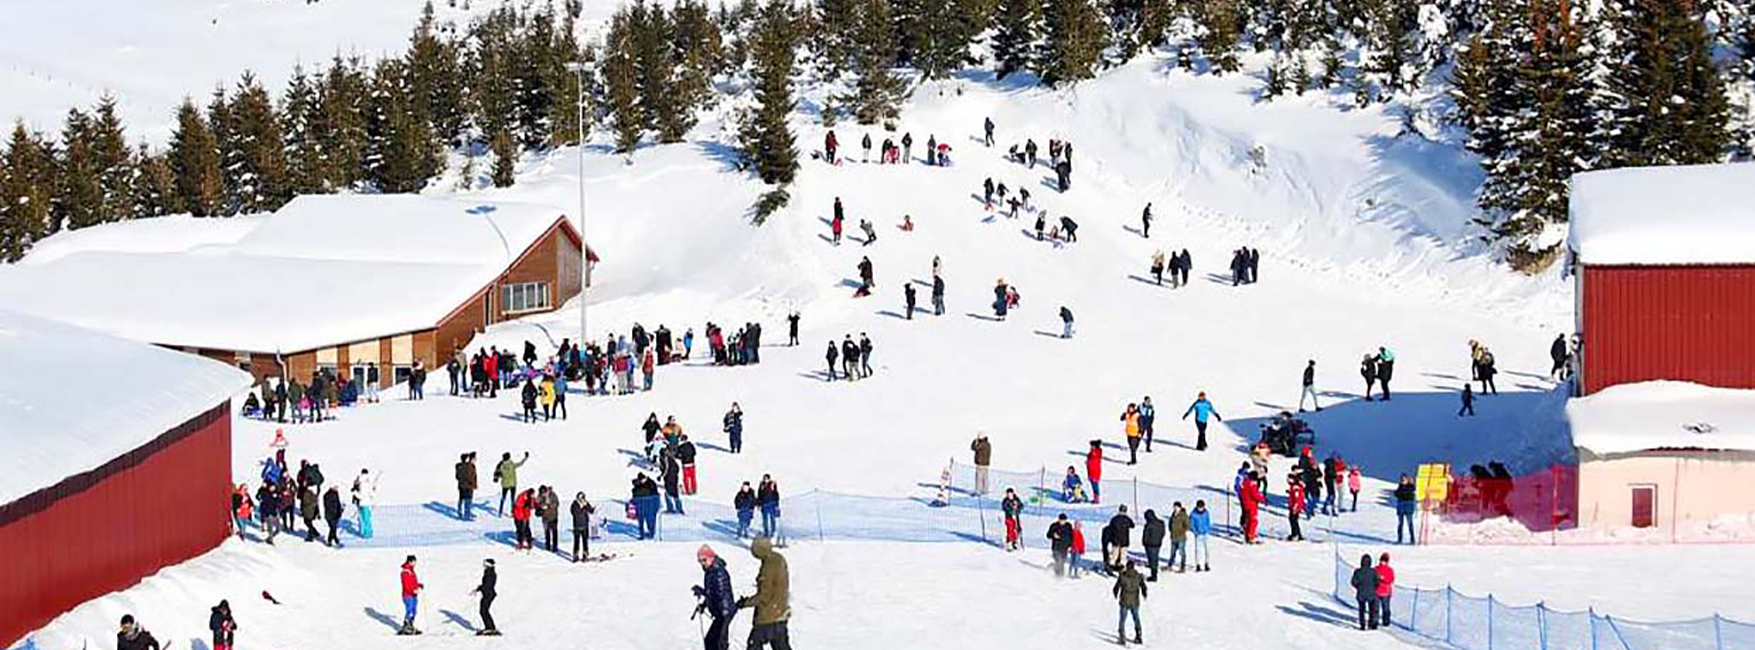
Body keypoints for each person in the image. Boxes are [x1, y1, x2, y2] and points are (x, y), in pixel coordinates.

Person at [738, 537, 793, 649]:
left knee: (754, 645)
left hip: (768, 616)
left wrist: (745, 603)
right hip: (780, 612)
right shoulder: (778, 559)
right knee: (781, 646)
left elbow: (764, 595)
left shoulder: (768, 567)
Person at [696, 545, 738, 650]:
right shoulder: (710, 571)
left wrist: (702, 592)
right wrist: (704, 605)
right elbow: (711, 592)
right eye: (700, 561)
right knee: (711, 642)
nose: (702, 563)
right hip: (719, 612)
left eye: (704, 560)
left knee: (717, 644)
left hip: (724, 612)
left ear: (711, 557)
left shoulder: (718, 572)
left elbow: (719, 594)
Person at [1112, 559, 1148, 645]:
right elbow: (1144, 587)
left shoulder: (1122, 576)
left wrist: (1115, 593)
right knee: (1136, 618)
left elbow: (1116, 588)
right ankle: (1139, 635)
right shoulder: (1138, 576)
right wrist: (1144, 594)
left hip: (1124, 601)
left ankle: (1122, 637)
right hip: (1135, 601)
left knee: (1122, 620)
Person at [1350, 554, 1380, 630]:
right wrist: (1373, 587)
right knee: (1372, 610)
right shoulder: (1373, 571)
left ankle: (1362, 625)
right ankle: (1371, 623)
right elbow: (1378, 582)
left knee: (1362, 610)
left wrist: (1358, 587)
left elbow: (1353, 582)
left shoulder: (1358, 571)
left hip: (1361, 594)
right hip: (1371, 593)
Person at [495, 452, 528, 516]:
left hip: (505, 484)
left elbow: (497, 474)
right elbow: (520, 464)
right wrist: (525, 458)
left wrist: (496, 477)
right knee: (512, 499)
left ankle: (500, 512)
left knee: (503, 498)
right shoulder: (511, 464)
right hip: (513, 484)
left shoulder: (501, 465)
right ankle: (513, 512)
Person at [399, 555, 424, 635]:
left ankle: (411, 625)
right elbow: (406, 585)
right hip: (407, 595)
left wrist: (418, 585)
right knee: (409, 610)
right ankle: (406, 626)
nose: (415, 563)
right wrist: (413, 590)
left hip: (413, 595)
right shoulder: (405, 572)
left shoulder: (411, 570)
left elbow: (412, 582)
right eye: (414, 561)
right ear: (410, 562)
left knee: (414, 610)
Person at [632, 472, 660, 539]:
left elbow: (654, 493)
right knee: (642, 520)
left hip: (649, 504)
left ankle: (651, 534)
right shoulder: (638, 484)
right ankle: (642, 534)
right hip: (642, 505)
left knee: (650, 520)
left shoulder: (651, 483)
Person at [1107, 506, 1134, 574]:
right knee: (1123, 556)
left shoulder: (1114, 519)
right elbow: (1132, 525)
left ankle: (1110, 567)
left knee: (1114, 555)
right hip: (1124, 540)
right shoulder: (1127, 519)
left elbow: (1110, 527)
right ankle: (1122, 569)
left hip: (1115, 540)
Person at [352, 468, 377, 539]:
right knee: (368, 519)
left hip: (362, 503)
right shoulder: (370, 482)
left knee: (363, 519)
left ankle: (364, 533)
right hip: (369, 503)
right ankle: (369, 532)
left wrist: (354, 493)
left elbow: (361, 495)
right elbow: (372, 494)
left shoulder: (361, 483)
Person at [1140, 509, 1165, 581]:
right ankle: (1154, 569)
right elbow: (1163, 533)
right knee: (1155, 557)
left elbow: (1146, 535)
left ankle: (1154, 575)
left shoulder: (1148, 524)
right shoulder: (1161, 523)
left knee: (1152, 559)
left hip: (1149, 544)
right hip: (1158, 543)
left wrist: (1144, 542)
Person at [570, 492, 595, 562]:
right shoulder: (574, 504)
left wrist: (592, 509)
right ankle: (575, 555)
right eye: (582, 497)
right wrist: (583, 509)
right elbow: (574, 512)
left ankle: (585, 554)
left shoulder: (585, 503)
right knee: (576, 542)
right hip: (577, 526)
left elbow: (590, 510)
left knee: (585, 541)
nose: (583, 499)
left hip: (585, 525)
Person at [1239, 471, 1263, 544]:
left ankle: (1247, 535)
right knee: (1253, 520)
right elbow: (1255, 495)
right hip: (1252, 504)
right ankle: (1251, 536)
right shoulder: (1252, 485)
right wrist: (1262, 498)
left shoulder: (1244, 483)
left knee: (1249, 520)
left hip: (1246, 504)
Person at [1166, 502, 1189, 573]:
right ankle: (1170, 565)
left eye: (1176, 507)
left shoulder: (1183, 515)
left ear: (1180, 507)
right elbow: (1170, 523)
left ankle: (1183, 566)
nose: (1175, 508)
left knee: (1182, 552)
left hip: (1181, 537)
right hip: (1173, 537)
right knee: (1172, 552)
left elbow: (1187, 526)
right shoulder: (1173, 514)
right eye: (1174, 507)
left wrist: (1181, 531)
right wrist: (1171, 530)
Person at [455, 452, 479, 521]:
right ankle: (467, 515)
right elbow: (471, 476)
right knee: (468, 500)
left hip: (461, 485)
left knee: (462, 499)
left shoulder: (458, 466)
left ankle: (460, 513)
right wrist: (472, 483)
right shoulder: (469, 466)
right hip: (468, 486)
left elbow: (457, 476)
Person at [1189, 500, 1211, 571]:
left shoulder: (1206, 513)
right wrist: (1195, 532)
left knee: (1207, 549)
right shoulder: (1193, 514)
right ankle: (1198, 564)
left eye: (1202, 507)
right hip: (1198, 534)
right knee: (1198, 550)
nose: (1201, 508)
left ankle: (1207, 563)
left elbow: (1208, 522)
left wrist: (1207, 529)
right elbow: (1191, 524)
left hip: (1205, 534)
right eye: (1199, 507)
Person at [1395, 474, 1417, 544]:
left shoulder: (1411, 487)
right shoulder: (1400, 487)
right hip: (1401, 507)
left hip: (1408, 508)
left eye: (1404, 479)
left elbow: (1408, 495)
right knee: (1400, 524)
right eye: (1401, 479)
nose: (1402, 481)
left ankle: (1412, 539)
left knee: (1410, 523)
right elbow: (1397, 494)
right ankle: (1399, 539)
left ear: (1407, 480)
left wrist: (1401, 494)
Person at [1376, 552, 1397, 628]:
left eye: (1384, 561)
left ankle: (1386, 622)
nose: (1383, 562)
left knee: (1386, 608)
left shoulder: (1389, 570)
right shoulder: (1376, 568)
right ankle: (1375, 621)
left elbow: (1391, 579)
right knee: (1376, 608)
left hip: (1385, 592)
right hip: (1377, 591)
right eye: (1382, 560)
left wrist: (1383, 578)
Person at [540, 485, 561, 552]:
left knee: (554, 532)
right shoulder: (540, 496)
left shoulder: (553, 495)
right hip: (545, 518)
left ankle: (555, 546)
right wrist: (541, 506)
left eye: (544, 493)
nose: (543, 495)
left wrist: (549, 506)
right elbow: (537, 503)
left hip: (553, 517)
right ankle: (547, 546)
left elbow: (557, 504)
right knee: (547, 532)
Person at [1286, 474, 1306, 541]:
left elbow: (1297, 498)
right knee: (1294, 520)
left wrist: (1295, 507)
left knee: (1293, 520)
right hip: (1294, 506)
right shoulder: (1293, 487)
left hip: (1295, 507)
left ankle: (1295, 534)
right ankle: (1296, 534)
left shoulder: (1295, 488)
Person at [1086, 440, 1103, 504]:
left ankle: (1097, 499)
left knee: (1095, 486)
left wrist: (1088, 462)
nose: (1091, 447)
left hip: (1095, 473)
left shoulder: (1096, 453)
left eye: (1092, 446)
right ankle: (1095, 498)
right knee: (1094, 486)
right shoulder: (1093, 453)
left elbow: (1094, 462)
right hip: (1091, 472)